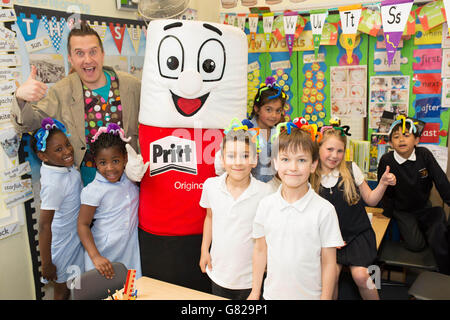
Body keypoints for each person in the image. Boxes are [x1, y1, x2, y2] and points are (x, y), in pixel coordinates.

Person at [11, 21, 141, 186]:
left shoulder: (132, 86)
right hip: (88, 186)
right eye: (80, 53)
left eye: (93, 52)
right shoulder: (62, 91)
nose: (88, 60)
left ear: (102, 53)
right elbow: (30, 125)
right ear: (71, 59)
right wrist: (21, 98)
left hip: (130, 182)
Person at [248, 122, 344, 300]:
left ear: (313, 165)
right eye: (285, 159)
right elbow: (260, 251)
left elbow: (329, 263)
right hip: (271, 295)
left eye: (301, 160)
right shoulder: (265, 205)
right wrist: (255, 292)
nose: (293, 167)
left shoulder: (324, 210)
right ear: (275, 163)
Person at [310, 123, 396, 300]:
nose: (335, 155)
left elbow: (371, 199)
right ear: (318, 148)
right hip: (330, 239)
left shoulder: (351, 169)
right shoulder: (311, 175)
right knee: (329, 277)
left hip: (358, 235)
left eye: (340, 151)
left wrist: (383, 184)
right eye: (330, 149)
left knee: (361, 276)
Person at [199, 120, 273, 299]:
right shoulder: (211, 186)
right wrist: (204, 251)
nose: (238, 162)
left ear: (255, 160)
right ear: (222, 160)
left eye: (245, 156)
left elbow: (269, 233)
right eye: (231, 156)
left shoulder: (265, 192)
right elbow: (209, 217)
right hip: (218, 272)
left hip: (252, 279)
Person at [378, 116, 450, 275]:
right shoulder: (386, 160)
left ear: (416, 140)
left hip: (423, 207)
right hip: (402, 210)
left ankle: (445, 272)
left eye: (406, 135)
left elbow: (441, 181)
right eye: (396, 137)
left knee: (438, 219)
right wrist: (388, 214)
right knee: (416, 245)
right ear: (390, 143)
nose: (401, 140)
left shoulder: (424, 155)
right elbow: (383, 192)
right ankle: (426, 237)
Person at [77, 123, 142, 279]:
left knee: (130, 293)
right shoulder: (93, 190)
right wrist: (95, 257)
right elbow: (82, 224)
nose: (110, 168)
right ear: (95, 163)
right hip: (103, 256)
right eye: (103, 163)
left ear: (125, 158)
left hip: (129, 254)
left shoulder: (131, 179)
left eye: (115, 161)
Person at [31, 118, 84, 300]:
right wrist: (46, 263)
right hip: (62, 248)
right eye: (58, 149)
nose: (68, 151)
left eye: (67, 144)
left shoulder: (62, 167)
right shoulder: (53, 183)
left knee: (77, 287)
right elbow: (44, 225)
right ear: (43, 156)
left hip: (75, 241)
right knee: (62, 291)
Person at [215, 76, 286, 186]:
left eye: (278, 110)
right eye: (268, 109)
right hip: (246, 186)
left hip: (271, 188)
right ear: (257, 108)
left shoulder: (279, 134)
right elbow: (220, 164)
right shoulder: (243, 131)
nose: (274, 115)